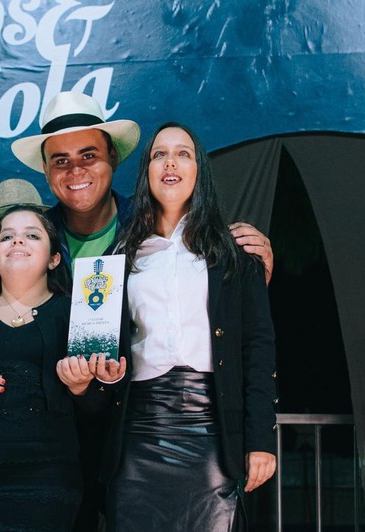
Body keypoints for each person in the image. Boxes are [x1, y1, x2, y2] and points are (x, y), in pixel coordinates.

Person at [0, 91, 275, 530]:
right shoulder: (33, 234)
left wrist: (251, 267)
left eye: (88, 155)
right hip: (50, 445)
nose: (75, 171)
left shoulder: (148, 226)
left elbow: (242, 330)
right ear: (46, 170)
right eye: (60, 161)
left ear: (113, 157)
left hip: (125, 425)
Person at [101, 123, 277, 530]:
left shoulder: (236, 254)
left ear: (200, 170)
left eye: (183, 153)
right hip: (138, 428)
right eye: (159, 154)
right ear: (146, 171)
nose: (170, 163)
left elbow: (258, 348)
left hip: (212, 427)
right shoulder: (118, 257)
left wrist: (261, 441)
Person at [0, 205, 122, 531]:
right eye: (7, 236)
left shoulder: (79, 314)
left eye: (32, 235)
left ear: (54, 258)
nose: (17, 241)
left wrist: (81, 387)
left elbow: (100, 407)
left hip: (49, 478)